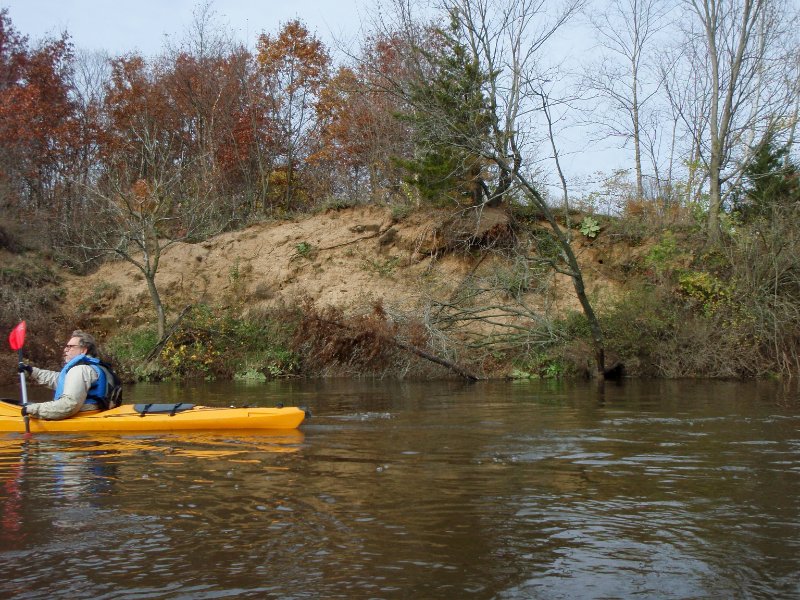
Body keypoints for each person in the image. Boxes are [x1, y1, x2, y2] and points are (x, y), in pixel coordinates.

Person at [17, 330, 118, 420]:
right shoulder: (89, 367)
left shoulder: (80, 370)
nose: (65, 350)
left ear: (83, 350)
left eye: (70, 347)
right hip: (94, 412)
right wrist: (32, 371)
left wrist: (33, 409)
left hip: (83, 416)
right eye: (66, 346)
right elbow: (59, 380)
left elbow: (69, 405)